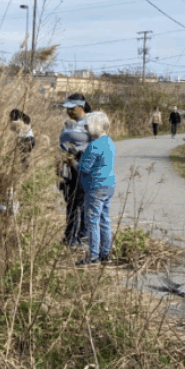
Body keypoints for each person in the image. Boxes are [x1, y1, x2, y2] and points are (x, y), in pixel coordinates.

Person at [76, 112, 116, 266]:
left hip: (95, 186)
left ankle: (93, 257)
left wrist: (74, 162)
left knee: (92, 221)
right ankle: (106, 254)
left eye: (87, 126)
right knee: (104, 219)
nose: (86, 129)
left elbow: (84, 168)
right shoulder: (109, 142)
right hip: (109, 185)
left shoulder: (93, 146)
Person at [57, 93, 92, 247]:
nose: (69, 111)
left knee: (81, 203)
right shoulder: (70, 124)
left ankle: (81, 238)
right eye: (67, 109)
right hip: (69, 168)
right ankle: (70, 237)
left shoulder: (90, 122)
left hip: (82, 167)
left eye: (72, 109)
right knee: (71, 203)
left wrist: (79, 155)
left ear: (80, 107)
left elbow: (97, 146)